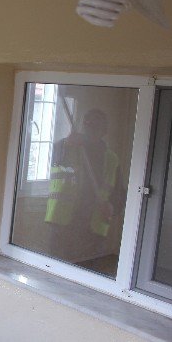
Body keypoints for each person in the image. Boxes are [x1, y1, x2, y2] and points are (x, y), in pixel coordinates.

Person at [45, 108, 124, 269]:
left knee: (87, 269)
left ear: (104, 131)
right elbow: (53, 160)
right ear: (83, 126)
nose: (91, 129)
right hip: (64, 223)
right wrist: (66, 144)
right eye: (88, 124)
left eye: (96, 126)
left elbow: (118, 193)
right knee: (56, 267)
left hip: (92, 227)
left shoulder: (111, 159)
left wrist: (112, 207)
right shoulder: (68, 148)